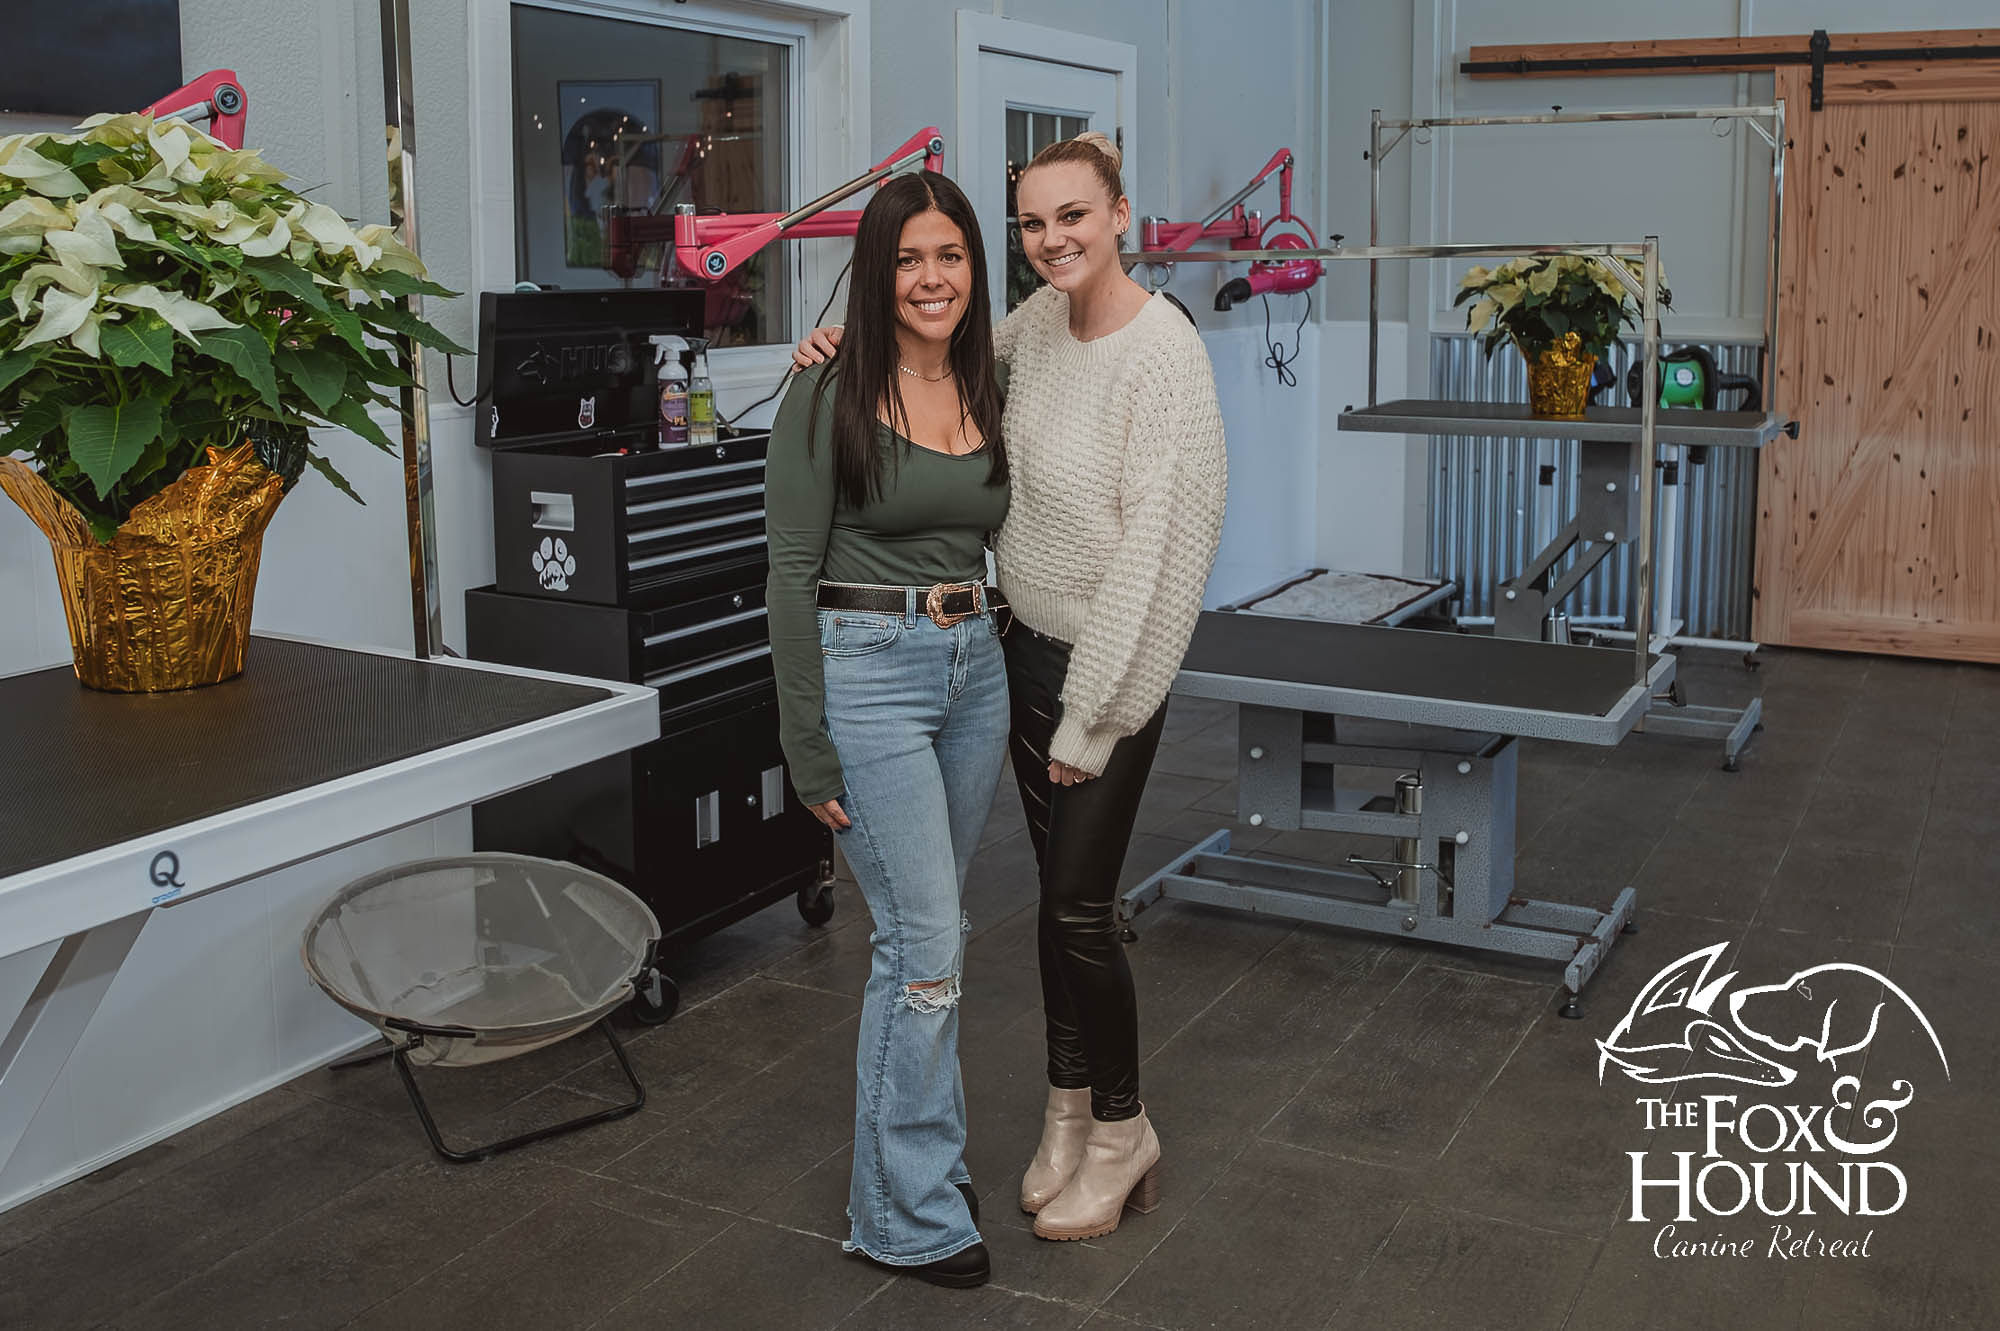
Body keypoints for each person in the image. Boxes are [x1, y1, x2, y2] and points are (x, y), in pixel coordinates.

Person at [795, 132, 1228, 1243]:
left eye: (1072, 216)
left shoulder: (1164, 351)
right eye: (1033, 223)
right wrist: (841, 345)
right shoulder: (1032, 329)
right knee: (1049, 903)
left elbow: (1161, 556)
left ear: (1120, 214)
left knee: (1081, 907)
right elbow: (934, 354)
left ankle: (1124, 1130)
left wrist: (1095, 714)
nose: (1052, 240)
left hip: (1105, 673)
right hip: (1013, 652)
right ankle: (1066, 1110)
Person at [763, 170, 1011, 1288]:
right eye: (907, 258)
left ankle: (923, 1166)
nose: (930, 277)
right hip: (866, 671)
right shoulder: (824, 391)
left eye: (948, 254)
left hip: (974, 668)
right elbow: (787, 573)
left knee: (932, 933)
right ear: (876, 271)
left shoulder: (987, 376)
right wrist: (803, 740)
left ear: (972, 267)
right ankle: (901, 1214)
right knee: (924, 948)